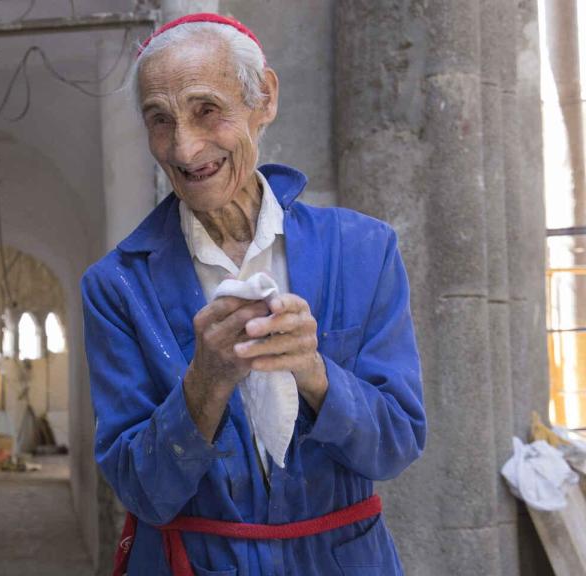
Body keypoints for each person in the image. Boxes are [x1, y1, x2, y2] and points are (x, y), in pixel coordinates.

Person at [81, 13, 427, 576]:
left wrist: (315, 373)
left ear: (263, 99)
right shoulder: (117, 285)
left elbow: (396, 443)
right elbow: (141, 491)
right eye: (159, 120)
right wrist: (205, 382)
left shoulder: (363, 250)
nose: (184, 147)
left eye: (206, 110)